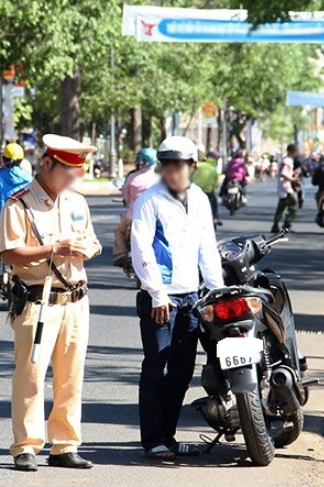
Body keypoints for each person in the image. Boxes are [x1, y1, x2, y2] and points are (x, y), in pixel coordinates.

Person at [0, 134, 102, 472]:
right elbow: (9, 251)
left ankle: (64, 445)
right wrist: (53, 250)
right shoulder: (19, 204)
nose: (75, 178)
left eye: (78, 172)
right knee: (30, 376)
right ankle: (25, 446)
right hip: (37, 300)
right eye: (68, 171)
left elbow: (93, 241)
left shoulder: (76, 202)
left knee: (71, 376)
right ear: (47, 164)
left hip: (75, 299)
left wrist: (90, 249)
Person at [131, 136, 223, 461]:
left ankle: (167, 437)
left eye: (180, 165)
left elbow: (207, 248)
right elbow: (141, 248)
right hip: (160, 300)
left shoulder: (199, 199)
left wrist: (217, 290)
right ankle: (152, 440)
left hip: (191, 299)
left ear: (193, 167)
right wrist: (156, 293)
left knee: (182, 372)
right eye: (168, 165)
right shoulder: (149, 201)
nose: (174, 171)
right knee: (156, 368)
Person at [0, 142, 32, 282]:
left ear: (3, 159)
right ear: (21, 161)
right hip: (23, 226)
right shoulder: (29, 179)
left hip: (0, 224)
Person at [113, 148, 159, 267]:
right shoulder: (159, 178)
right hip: (155, 216)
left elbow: (126, 195)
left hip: (132, 215)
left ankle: (122, 252)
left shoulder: (133, 177)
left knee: (119, 231)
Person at [271, 144, 301, 232]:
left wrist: (294, 173)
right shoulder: (287, 161)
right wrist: (293, 179)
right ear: (292, 152)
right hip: (286, 187)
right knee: (294, 205)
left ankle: (276, 225)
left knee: (282, 206)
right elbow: (284, 174)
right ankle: (287, 224)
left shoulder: (288, 160)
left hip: (284, 187)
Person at [192, 149, 222, 227]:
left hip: (194, 191)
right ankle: (216, 217)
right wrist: (211, 190)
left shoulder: (198, 165)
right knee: (214, 201)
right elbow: (215, 185)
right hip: (207, 192)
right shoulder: (214, 170)